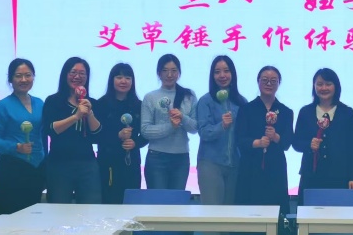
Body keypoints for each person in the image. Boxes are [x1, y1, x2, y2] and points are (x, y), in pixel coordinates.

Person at [0, 58, 46, 215]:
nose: (24, 80)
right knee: (10, 220)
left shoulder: (40, 103)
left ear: (33, 77)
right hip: (12, 169)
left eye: (28, 75)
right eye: (18, 76)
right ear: (10, 79)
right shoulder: (2, 106)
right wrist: (16, 147)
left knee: (32, 219)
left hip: (36, 169)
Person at [293, 68, 353, 203]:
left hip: (339, 176)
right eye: (319, 84)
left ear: (336, 86)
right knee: (309, 214)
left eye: (328, 84)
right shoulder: (305, 112)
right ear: (314, 86)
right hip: (311, 176)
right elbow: (296, 143)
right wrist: (309, 144)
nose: (323, 88)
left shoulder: (346, 112)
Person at [234, 66, 294, 216]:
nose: (269, 84)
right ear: (258, 81)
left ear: (279, 83)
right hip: (251, 166)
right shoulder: (246, 109)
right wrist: (258, 143)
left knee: (276, 210)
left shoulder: (286, 111)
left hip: (275, 167)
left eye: (273, 81)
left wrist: (276, 137)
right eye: (265, 80)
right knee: (249, 210)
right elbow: (239, 140)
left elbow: (287, 143)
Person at [42, 57, 102, 203]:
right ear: (65, 75)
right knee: (59, 208)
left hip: (87, 163)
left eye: (82, 73)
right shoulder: (53, 101)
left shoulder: (92, 103)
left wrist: (89, 113)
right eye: (73, 72)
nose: (77, 76)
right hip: (59, 163)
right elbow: (51, 129)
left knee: (91, 208)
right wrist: (76, 116)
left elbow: (97, 135)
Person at [140, 53, 198, 190]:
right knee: (157, 200)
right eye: (165, 70)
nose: (169, 75)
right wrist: (170, 126)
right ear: (158, 73)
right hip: (156, 157)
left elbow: (195, 128)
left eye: (174, 70)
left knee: (176, 201)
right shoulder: (150, 97)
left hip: (181, 158)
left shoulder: (188, 95)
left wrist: (182, 117)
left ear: (179, 73)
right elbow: (145, 130)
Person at [196, 55, 248, 207]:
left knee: (229, 214)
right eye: (217, 72)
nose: (222, 75)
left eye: (226, 71)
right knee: (212, 214)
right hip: (210, 163)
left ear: (233, 74)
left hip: (235, 164)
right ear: (212, 76)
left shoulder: (241, 102)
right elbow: (204, 132)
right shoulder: (206, 101)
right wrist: (222, 126)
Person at [96, 62, 148, 204]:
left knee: (131, 204)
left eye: (128, 78)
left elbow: (146, 133)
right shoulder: (101, 104)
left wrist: (136, 143)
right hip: (108, 163)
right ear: (112, 80)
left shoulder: (139, 105)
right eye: (119, 77)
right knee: (109, 204)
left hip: (131, 163)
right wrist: (117, 136)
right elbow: (96, 135)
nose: (123, 81)